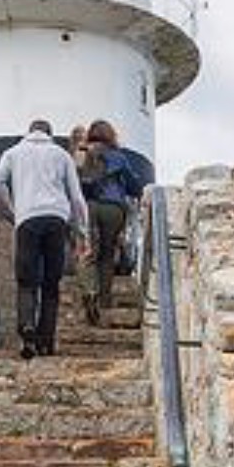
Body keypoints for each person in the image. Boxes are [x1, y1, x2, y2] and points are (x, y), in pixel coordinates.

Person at [0, 120, 84, 358]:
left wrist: (9, 212)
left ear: (29, 133)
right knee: (51, 284)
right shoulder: (62, 155)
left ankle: (27, 330)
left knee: (26, 281)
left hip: (27, 220)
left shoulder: (13, 153)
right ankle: (46, 342)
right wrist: (82, 230)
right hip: (56, 220)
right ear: (50, 135)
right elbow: (76, 197)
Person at [77, 120, 155, 326]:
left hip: (90, 207)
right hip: (114, 208)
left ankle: (89, 291)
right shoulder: (119, 157)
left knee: (89, 253)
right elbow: (134, 185)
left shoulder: (83, 154)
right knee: (107, 255)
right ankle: (104, 302)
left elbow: (77, 183)